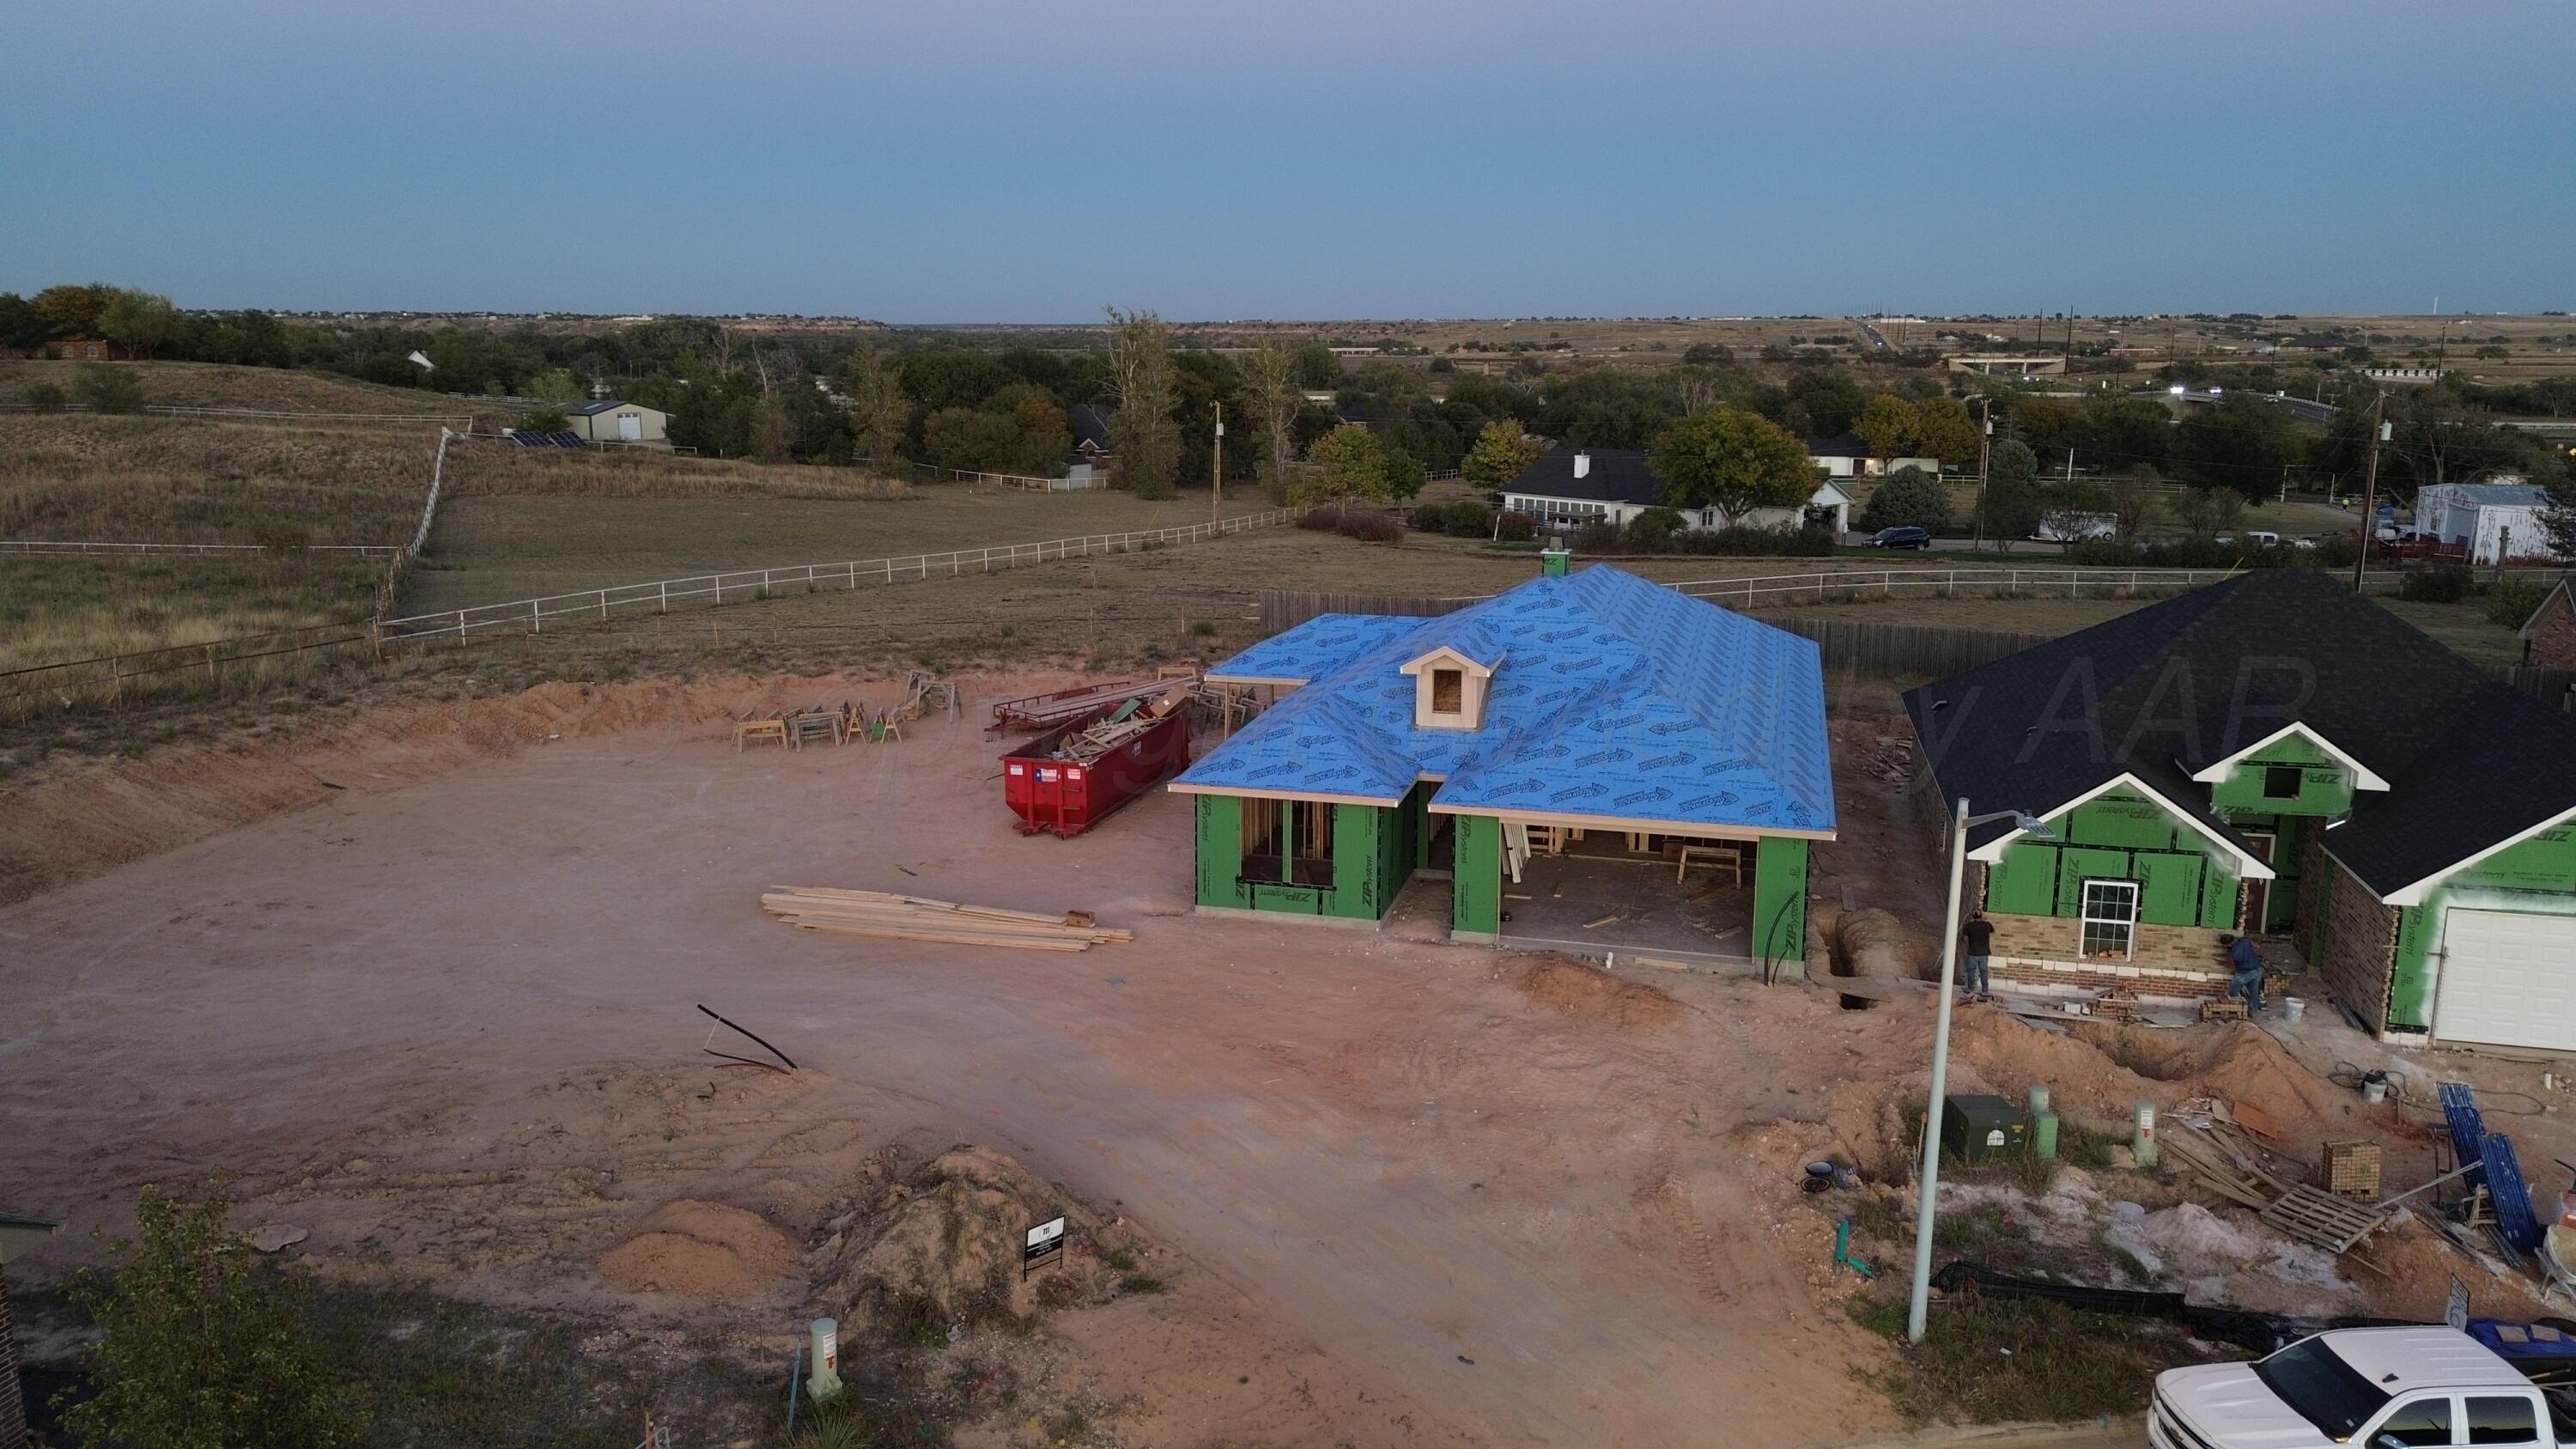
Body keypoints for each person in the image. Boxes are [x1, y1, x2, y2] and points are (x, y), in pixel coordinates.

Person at [2223, 933, 2264, 1015]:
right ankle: (2253, 1011)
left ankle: (2237, 1009)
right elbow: (2257, 946)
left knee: (2233, 989)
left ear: (2227, 944)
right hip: (2257, 969)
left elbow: (2231, 966)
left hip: (2245, 972)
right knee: (2254, 991)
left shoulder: (2232, 953)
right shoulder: (2245, 941)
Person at [1959, 910, 1995, 1002]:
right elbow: (1993, 931)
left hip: (1973, 952)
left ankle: (1970, 989)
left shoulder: (1969, 926)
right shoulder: (1987, 925)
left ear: (1973, 916)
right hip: (1984, 952)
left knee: (1971, 970)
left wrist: (1968, 947)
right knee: (1984, 971)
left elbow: (1964, 938)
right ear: (1981, 916)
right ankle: (1985, 991)